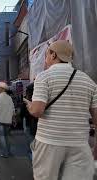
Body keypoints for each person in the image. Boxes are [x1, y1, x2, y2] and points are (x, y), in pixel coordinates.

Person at [25, 40, 97, 180]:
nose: (45, 59)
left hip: (49, 142)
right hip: (79, 144)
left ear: (53, 55)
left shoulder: (44, 77)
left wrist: (30, 106)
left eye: (46, 54)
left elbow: (37, 110)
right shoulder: (88, 81)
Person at [0, 82, 15, 158]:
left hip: (0, 120)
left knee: (2, 137)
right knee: (7, 136)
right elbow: (13, 110)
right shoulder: (9, 98)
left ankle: (5, 153)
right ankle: (8, 152)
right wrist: (13, 118)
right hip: (8, 121)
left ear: (2, 89)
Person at [20, 82, 38, 160]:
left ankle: (34, 165)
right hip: (41, 127)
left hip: (29, 125)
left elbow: (22, 114)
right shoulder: (40, 101)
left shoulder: (26, 102)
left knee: (31, 147)